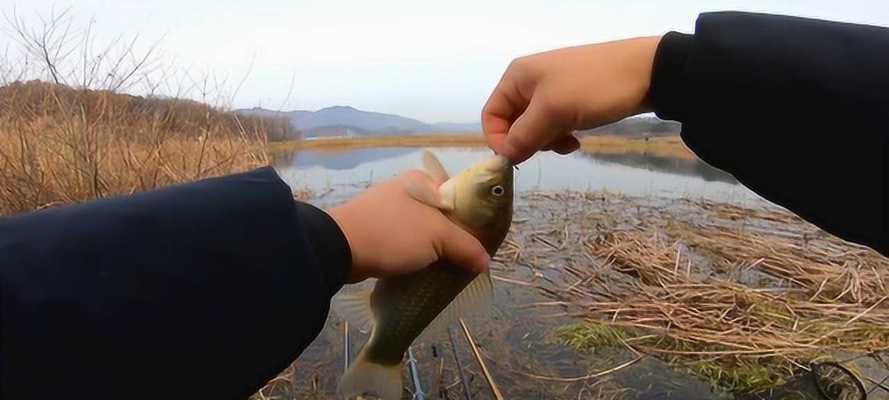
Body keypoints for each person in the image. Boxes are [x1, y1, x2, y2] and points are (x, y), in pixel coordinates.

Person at [1, 10, 886, 400]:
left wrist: (683, 69)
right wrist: (676, 70)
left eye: (488, 192)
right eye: (490, 189)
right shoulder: (462, 194)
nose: (486, 180)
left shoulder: (451, 196)